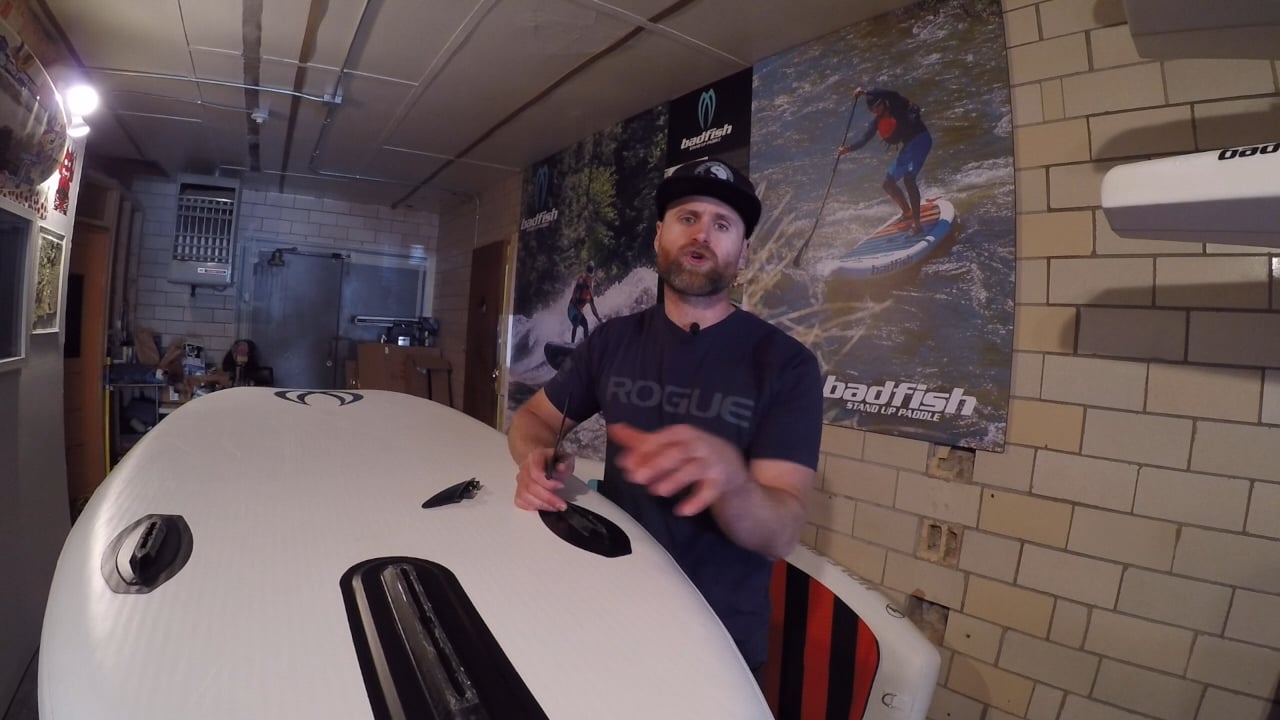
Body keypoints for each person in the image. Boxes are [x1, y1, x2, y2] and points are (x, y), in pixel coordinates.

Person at [507, 157, 823, 673]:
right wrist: (534, 459)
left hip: (717, 640)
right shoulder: (611, 341)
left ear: (743, 253)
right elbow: (532, 421)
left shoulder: (787, 364)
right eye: (687, 218)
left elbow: (781, 532)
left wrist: (732, 483)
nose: (702, 234)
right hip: (607, 606)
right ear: (659, 236)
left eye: (722, 225)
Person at [837, 86, 932, 235]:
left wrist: (865, 92)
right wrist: (848, 149)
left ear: (883, 102)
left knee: (909, 179)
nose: (876, 111)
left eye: (877, 106)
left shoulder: (897, 105)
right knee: (888, 184)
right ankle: (907, 212)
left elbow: (891, 93)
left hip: (921, 139)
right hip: (908, 147)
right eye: (873, 109)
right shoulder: (876, 122)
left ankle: (918, 225)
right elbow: (864, 139)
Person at [567, 261, 602, 342]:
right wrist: (578, 310)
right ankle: (572, 343)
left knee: (585, 325)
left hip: (579, 312)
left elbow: (593, 309)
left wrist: (599, 319)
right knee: (576, 322)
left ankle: (586, 344)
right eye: (588, 276)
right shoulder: (581, 282)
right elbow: (574, 298)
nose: (589, 278)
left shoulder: (589, 293)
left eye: (590, 277)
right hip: (572, 309)